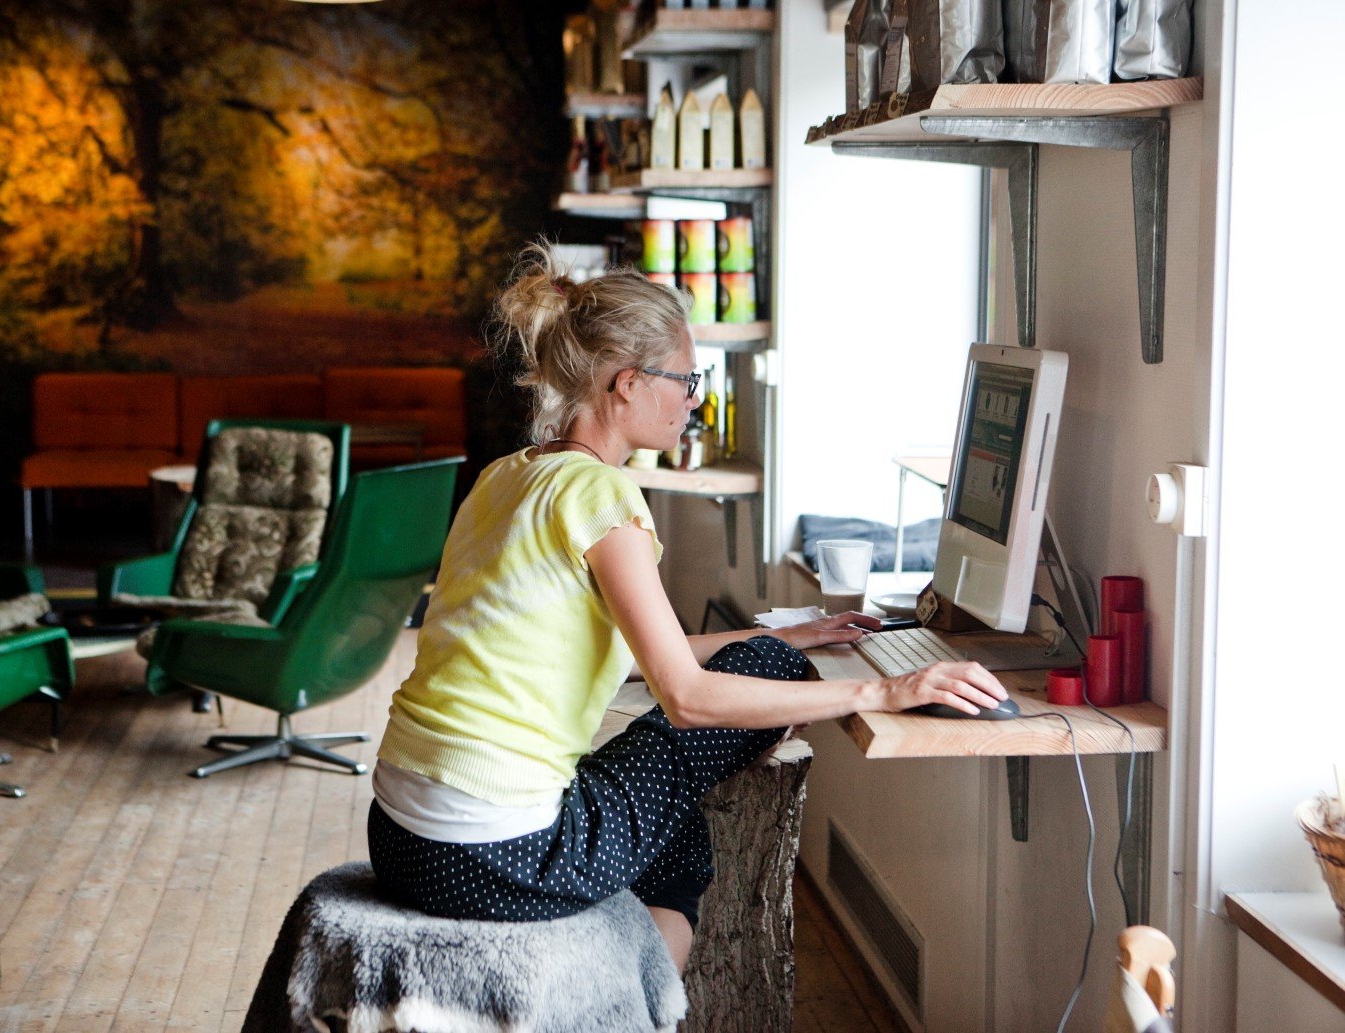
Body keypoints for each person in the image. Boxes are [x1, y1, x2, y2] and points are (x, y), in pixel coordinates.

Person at [368, 243, 1008, 969]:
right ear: (628, 384)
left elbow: (634, 648)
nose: (694, 399)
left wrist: (793, 634)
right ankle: (634, 996)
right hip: (493, 854)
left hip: (400, 834)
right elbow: (686, 697)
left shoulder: (508, 476)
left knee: (721, 721)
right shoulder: (602, 496)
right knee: (690, 805)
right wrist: (883, 690)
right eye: (686, 379)